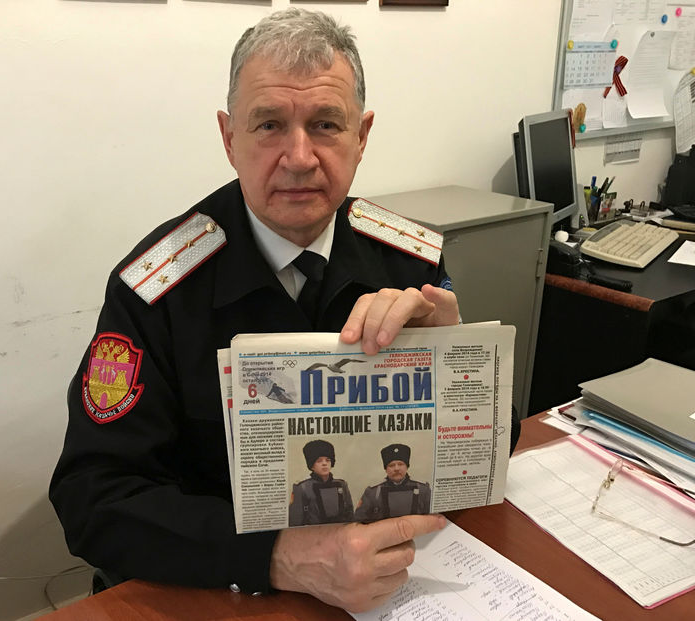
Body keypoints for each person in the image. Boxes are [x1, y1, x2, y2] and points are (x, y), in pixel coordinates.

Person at [50, 8, 518, 613]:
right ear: (228, 138)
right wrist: (276, 557)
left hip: (396, 586)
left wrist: (457, 366)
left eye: (326, 124)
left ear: (362, 135)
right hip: (224, 594)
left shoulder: (409, 263)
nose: (299, 157)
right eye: (268, 125)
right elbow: (93, 498)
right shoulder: (157, 288)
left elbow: (489, 449)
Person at [354, 444, 431, 522]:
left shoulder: (423, 490)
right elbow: (359, 520)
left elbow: (430, 518)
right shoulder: (373, 493)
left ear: (407, 467)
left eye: (400, 464)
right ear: (386, 469)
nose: (396, 468)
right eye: (391, 465)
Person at [289, 439, 354, 526]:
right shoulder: (302, 488)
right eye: (319, 461)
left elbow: (350, 515)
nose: (324, 464)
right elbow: (295, 521)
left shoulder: (342, 485)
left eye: (328, 460)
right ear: (312, 465)